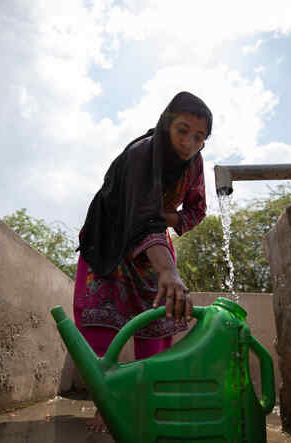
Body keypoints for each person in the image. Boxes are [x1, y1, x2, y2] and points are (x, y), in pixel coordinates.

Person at [74, 91, 212, 432]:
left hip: (152, 248)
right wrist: (169, 270)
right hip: (109, 241)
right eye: (182, 130)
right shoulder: (141, 154)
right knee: (100, 327)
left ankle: (141, 401)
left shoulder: (194, 165)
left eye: (200, 137)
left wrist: (169, 219)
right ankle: (108, 404)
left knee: (155, 325)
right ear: (166, 123)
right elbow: (137, 216)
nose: (189, 143)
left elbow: (196, 210)